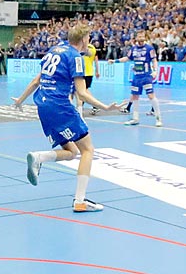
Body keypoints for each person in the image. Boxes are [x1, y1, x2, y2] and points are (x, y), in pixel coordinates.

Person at [11, 23, 113, 213]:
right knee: (88, 150)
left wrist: (20, 100)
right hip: (60, 107)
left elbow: (36, 81)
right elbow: (81, 94)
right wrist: (105, 107)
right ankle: (80, 201)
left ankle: (39, 157)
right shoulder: (75, 57)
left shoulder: (54, 50)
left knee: (72, 151)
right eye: (88, 38)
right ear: (83, 39)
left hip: (43, 106)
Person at [123, 30, 163, 127]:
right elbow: (127, 58)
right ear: (136, 37)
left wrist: (155, 71)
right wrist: (115, 61)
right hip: (136, 77)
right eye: (139, 36)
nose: (141, 37)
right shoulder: (133, 49)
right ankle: (135, 118)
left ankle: (158, 118)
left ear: (145, 37)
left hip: (146, 76)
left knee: (151, 96)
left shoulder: (149, 48)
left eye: (142, 35)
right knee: (135, 96)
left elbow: (154, 60)